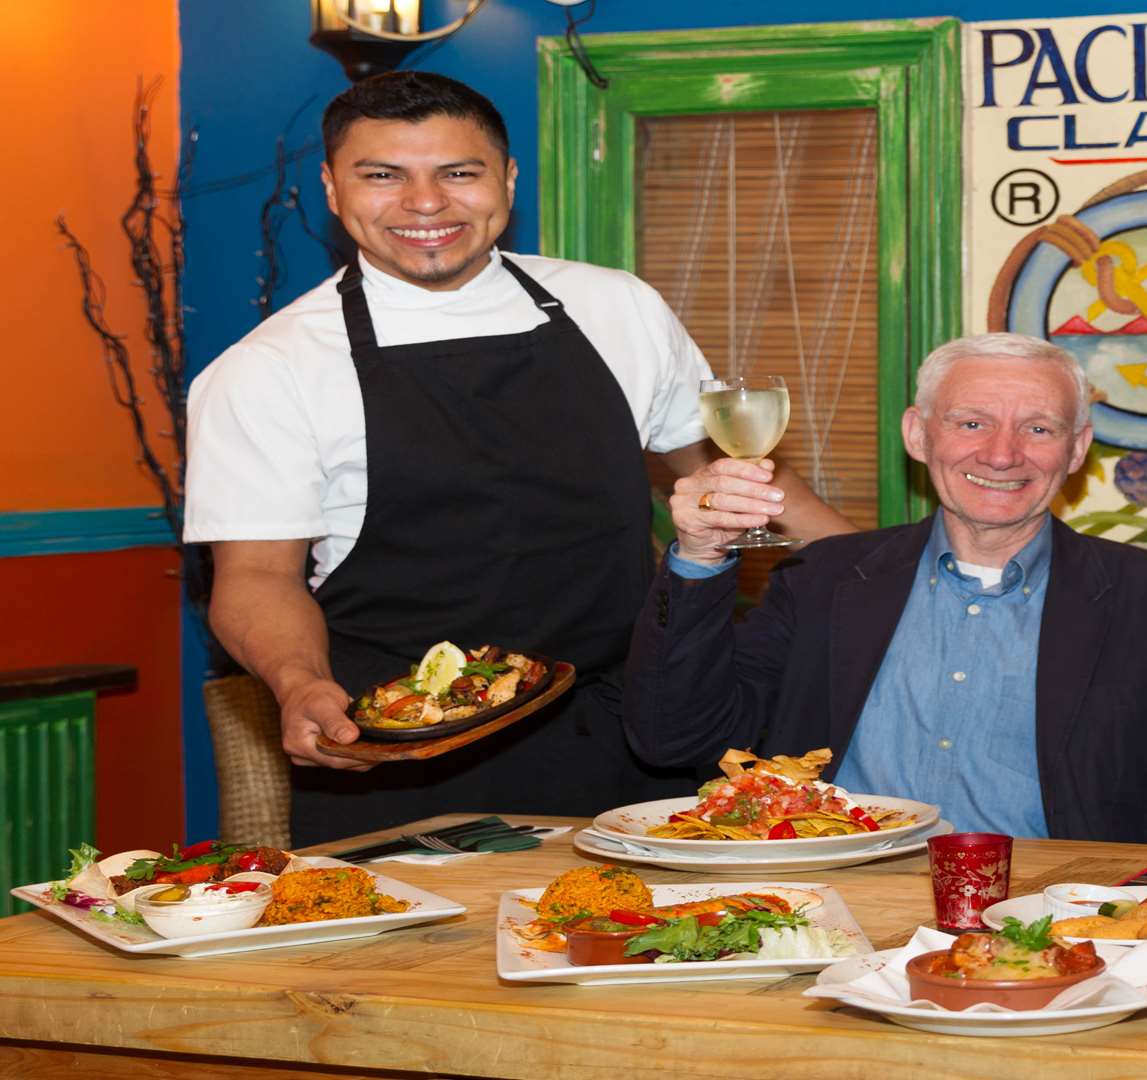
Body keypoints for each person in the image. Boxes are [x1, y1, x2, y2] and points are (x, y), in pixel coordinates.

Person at [184, 72, 851, 845]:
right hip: (413, 753)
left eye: (458, 172)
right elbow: (255, 578)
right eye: (383, 175)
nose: (425, 203)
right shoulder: (269, 368)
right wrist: (299, 685)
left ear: (507, 178)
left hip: (634, 735)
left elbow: (740, 473)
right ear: (333, 189)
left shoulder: (616, 306)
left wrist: (882, 575)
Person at [624, 333, 1147, 845]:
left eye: (1038, 428)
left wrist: (1124, 920)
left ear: (1076, 450)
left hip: (1052, 919)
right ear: (918, 434)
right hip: (833, 902)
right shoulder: (822, 581)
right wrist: (699, 559)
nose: (1003, 454)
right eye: (971, 423)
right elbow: (673, 740)